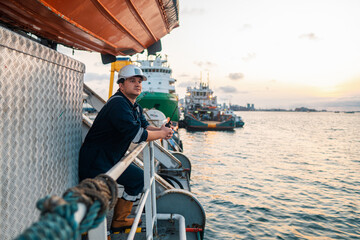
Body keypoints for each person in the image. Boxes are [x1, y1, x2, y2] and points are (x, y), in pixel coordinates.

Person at [79, 64, 173, 232]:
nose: (137, 84)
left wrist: (162, 131)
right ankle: (93, 232)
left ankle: (120, 219)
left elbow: (145, 128)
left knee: (137, 179)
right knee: (100, 198)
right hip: (96, 162)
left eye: (139, 81)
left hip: (110, 160)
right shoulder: (118, 105)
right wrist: (160, 134)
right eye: (132, 81)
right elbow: (137, 136)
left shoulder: (134, 106)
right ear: (121, 85)